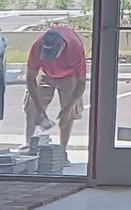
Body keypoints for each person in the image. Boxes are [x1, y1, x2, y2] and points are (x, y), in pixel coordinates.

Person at [23, 21, 89, 164]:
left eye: (53, 54)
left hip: (69, 76)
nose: (50, 57)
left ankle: (61, 152)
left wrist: (67, 108)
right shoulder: (38, 46)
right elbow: (30, 78)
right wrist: (39, 108)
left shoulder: (75, 48)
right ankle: (29, 146)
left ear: (62, 47)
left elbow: (81, 83)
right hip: (46, 73)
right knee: (32, 108)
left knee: (68, 115)